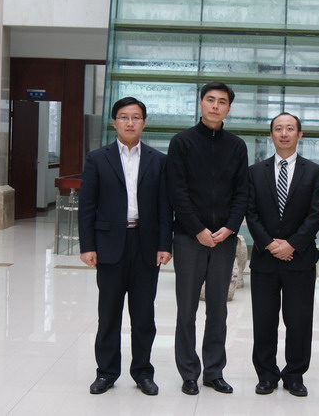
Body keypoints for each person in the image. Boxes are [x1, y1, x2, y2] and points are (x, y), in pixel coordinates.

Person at [78, 97, 173, 396]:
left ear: (144, 122)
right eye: (123, 117)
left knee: (144, 316)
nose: (130, 122)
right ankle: (106, 373)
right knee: (108, 314)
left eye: (135, 117)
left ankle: (143, 373)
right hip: (109, 245)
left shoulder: (158, 160)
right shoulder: (97, 158)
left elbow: (165, 206)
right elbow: (87, 206)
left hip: (146, 245)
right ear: (114, 122)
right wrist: (87, 245)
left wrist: (165, 244)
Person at [166, 82, 248, 395]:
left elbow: (242, 192)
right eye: (210, 100)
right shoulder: (182, 142)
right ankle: (189, 372)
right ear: (201, 103)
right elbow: (177, 191)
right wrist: (197, 229)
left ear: (229, 108)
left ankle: (214, 371)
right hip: (189, 237)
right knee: (186, 308)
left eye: (222, 101)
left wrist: (230, 227)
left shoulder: (236, 146)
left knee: (218, 308)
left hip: (224, 239)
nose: (215, 106)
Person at [246, 113, 319, 397]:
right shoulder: (255, 172)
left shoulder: (314, 172)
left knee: (299, 320)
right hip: (264, 260)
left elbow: (315, 214)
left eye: (290, 128)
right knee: (264, 320)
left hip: (299, 259)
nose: (284, 133)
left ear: (299, 134)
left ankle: (294, 375)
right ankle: (266, 375)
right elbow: (250, 212)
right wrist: (270, 244)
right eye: (278, 129)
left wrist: (292, 244)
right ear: (271, 135)